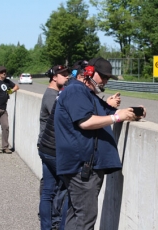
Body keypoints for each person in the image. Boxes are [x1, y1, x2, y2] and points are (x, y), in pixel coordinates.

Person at [54, 57, 146, 229]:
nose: (105, 81)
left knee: (76, 216)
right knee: (85, 218)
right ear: (89, 72)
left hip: (85, 166)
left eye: (108, 77)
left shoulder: (87, 94)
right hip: (81, 167)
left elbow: (110, 111)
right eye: (103, 76)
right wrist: (117, 117)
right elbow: (85, 121)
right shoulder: (75, 91)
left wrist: (135, 112)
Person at [37, 65, 70, 230]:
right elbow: (61, 118)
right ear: (54, 77)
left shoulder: (54, 93)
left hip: (46, 146)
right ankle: (57, 224)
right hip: (51, 148)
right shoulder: (52, 96)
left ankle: (47, 226)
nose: (67, 76)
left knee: (49, 191)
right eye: (63, 74)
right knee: (68, 188)